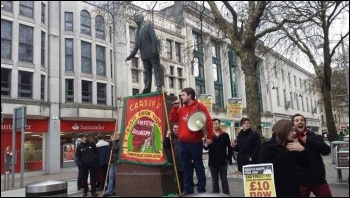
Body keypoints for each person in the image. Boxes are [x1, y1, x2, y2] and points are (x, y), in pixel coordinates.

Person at [169, 87, 214, 195]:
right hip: (183, 143)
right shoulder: (181, 108)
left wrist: (210, 137)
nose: (181, 97)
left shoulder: (200, 107)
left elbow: (208, 122)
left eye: (183, 95)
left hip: (195, 142)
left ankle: (201, 190)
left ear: (189, 95)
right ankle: (188, 190)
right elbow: (173, 119)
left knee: (198, 166)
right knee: (186, 167)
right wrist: (175, 108)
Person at [258, 119, 309, 197]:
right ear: (283, 130)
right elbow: (264, 174)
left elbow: (306, 165)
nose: (294, 133)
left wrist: (302, 150)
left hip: (294, 190)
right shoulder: (267, 148)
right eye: (292, 130)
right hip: (277, 191)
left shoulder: (293, 145)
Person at [292, 114, 333, 197]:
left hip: (318, 178)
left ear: (305, 123)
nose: (300, 122)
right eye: (296, 121)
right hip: (300, 180)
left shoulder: (314, 137)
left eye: (302, 120)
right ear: (292, 124)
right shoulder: (291, 139)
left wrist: (309, 140)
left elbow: (326, 151)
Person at [125, 13, 164, 94]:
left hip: (153, 53)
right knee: (147, 72)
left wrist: (154, 51)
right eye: (134, 17)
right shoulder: (136, 31)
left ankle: (159, 87)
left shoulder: (148, 25)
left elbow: (153, 39)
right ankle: (147, 89)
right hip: (144, 55)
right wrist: (130, 56)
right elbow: (136, 46)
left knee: (157, 70)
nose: (136, 18)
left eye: (137, 16)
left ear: (142, 18)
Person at [203, 118, 232, 195]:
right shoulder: (209, 135)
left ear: (219, 124)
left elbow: (229, 147)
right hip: (212, 162)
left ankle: (226, 195)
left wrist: (229, 158)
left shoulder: (225, 135)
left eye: (216, 123)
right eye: (213, 124)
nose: (215, 125)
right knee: (214, 180)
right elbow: (205, 148)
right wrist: (206, 143)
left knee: (224, 180)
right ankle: (216, 195)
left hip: (223, 161)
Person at [76, 132, 99, 197]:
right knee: (84, 178)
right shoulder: (79, 146)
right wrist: (82, 161)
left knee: (93, 178)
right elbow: (78, 155)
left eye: (87, 137)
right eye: (85, 137)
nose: (86, 138)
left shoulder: (92, 144)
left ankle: (93, 192)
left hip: (92, 164)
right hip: (84, 165)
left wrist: (94, 159)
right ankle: (85, 191)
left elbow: (96, 152)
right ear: (82, 138)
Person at [163, 123, 184, 193]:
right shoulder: (171, 137)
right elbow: (165, 146)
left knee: (187, 179)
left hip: (185, 160)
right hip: (176, 162)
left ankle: (188, 193)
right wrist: (167, 135)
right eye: (174, 128)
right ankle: (180, 192)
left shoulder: (183, 136)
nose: (176, 130)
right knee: (179, 179)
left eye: (177, 128)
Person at [103, 133, 120, 197]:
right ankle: (109, 191)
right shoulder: (114, 142)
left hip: (116, 162)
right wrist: (111, 143)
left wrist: (112, 142)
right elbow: (110, 150)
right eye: (116, 135)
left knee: (115, 177)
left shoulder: (119, 142)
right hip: (112, 162)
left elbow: (115, 149)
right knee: (110, 177)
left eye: (118, 135)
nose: (116, 136)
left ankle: (115, 190)